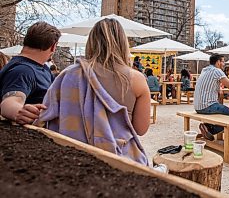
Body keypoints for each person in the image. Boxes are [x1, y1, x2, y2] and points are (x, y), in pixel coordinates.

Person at [35, 18, 151, 164]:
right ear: (123, 44)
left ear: (91, 42)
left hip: (72, 157)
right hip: (120, 160)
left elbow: (46, 114)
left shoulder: (69, 75)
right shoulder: (137, 80)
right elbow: (141, 129)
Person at [0, 22, 61, 125]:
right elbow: (9, 102)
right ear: (53, 47)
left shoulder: (43, 68)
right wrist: (17, 112)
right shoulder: (24, 70)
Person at [194, 54, 229, 141]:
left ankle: (207, 128)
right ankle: (209, 129)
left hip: (198, 107)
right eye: (223, 61)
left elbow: (211, 84)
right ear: (218, 62)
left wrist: (219, 89)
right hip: (208, 106)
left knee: (224, 113)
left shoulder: (204, 70)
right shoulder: (217, 71)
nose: (224, 64)